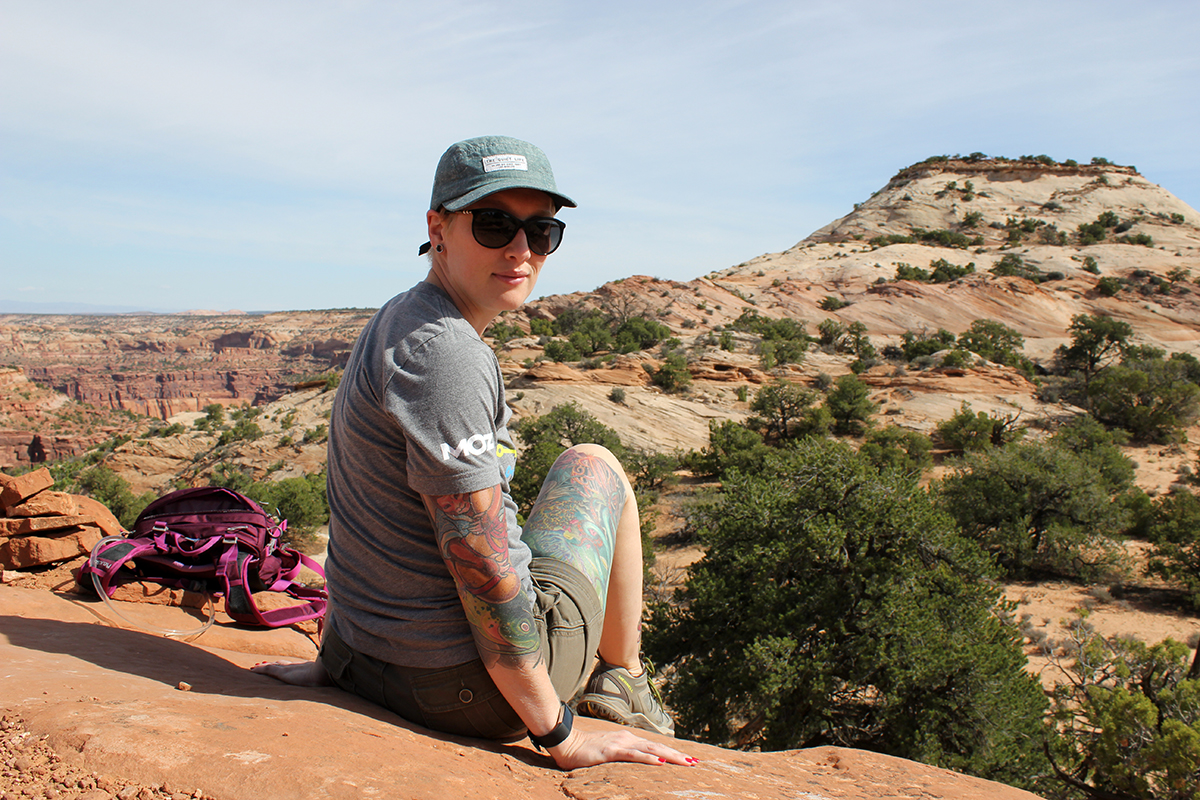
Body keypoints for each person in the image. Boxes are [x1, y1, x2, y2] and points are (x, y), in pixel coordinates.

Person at [253, 136, 694, 770]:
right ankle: (621, 682)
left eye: (541, 232)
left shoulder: (398, 316)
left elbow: (362, 505)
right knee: (594, 463)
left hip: (362, 659)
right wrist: (559, 735)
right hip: (464, 690)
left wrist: (334, 658)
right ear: (438, 228)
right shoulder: (448, 354)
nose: (520, 250)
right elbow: (483, 570)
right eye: (493, 225)